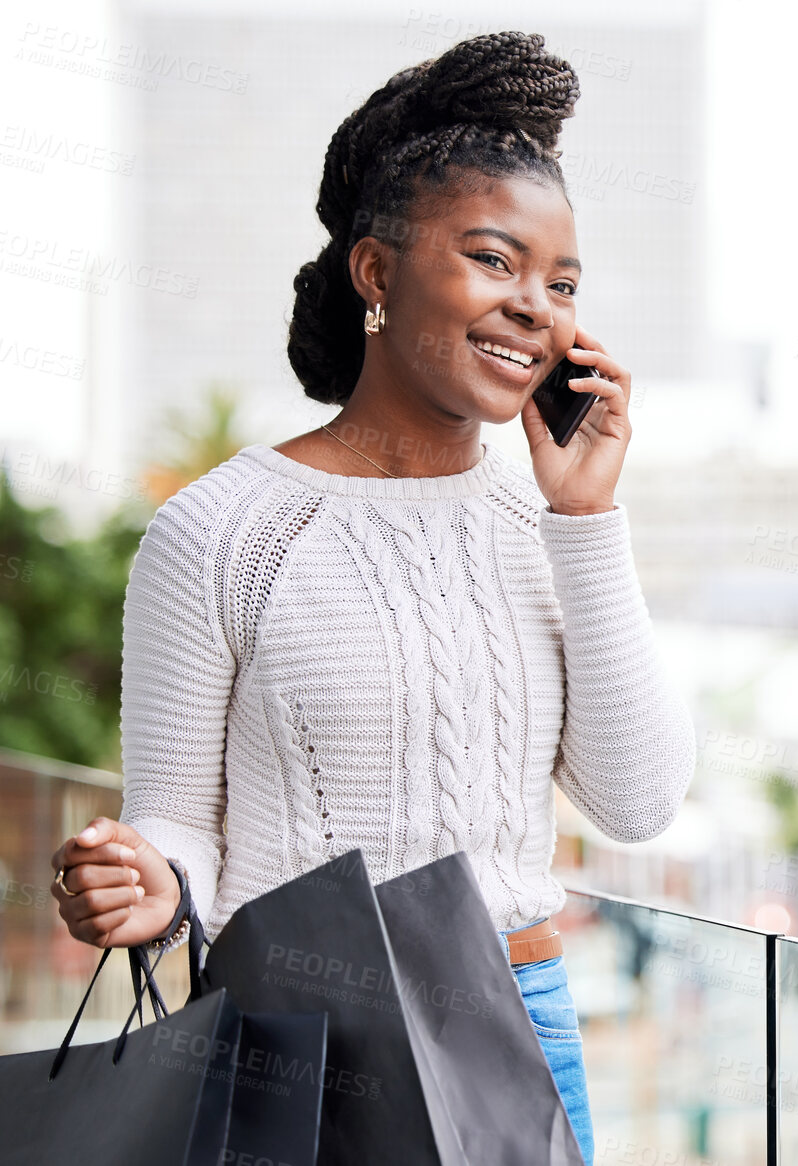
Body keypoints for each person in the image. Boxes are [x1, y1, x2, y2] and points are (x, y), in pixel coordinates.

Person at [45, 31, 695, 1162]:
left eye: (563, 283)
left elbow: (638, 800)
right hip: (298, 1036)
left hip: (520, 1019)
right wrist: (148, 878)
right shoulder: (219, 530)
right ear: (378, 273)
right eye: (496, 260)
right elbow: (177, 816)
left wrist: (586, 517)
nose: (535, 306)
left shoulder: (549, 528)